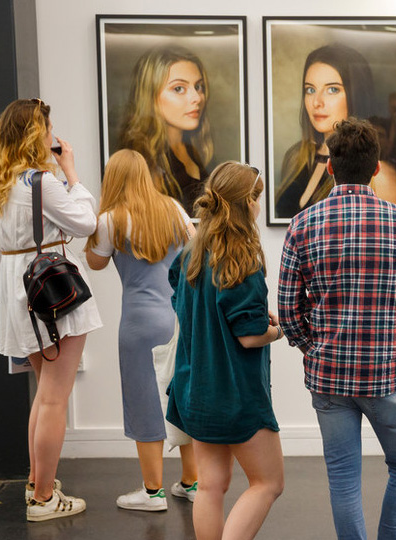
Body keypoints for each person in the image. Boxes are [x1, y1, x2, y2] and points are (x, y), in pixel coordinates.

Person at [278, 117, 396, 540]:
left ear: (330, 167)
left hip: (328, 379)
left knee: (343, 476)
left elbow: (288, 311)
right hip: (388, 376)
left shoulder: (302, 225)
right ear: (377, 168)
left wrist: (311, 349)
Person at [0, 98, 102, 521]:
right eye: (48, 129)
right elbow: (86, 224)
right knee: (54, 399)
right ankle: (45, 498)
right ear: (35, 135)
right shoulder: (40, 183)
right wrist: (72, 174)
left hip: (18, 291)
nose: (54, 137)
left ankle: (37, 483)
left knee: (44, 393)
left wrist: (8, 298)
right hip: (54, 289)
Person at [167, 162, 285, 540]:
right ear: (247, 203)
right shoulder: (242, 263)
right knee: (268, 483)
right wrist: (278, 330)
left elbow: (201, 312)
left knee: (210, 485)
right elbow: (249, 338)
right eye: (258, 199)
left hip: (195, 391)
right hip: (235, 396)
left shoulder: (188, 259)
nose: (260, 207)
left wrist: (249, 319)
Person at [84, 149, 199, 511]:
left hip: (137, 323)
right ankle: (192, 482)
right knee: (181, 400)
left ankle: (153, 492)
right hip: (176, 317)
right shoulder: (173, 209)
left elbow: (95, 263)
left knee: (143, 402)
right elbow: (196, 252)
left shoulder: (109, 220)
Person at [275, 43, 396, 219]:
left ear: (355, 94)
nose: (317, 102)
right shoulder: (296, 157)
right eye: (310, 90)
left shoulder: (380, 176)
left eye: (332, 89)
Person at [118, 46, 213, 215]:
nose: (197, 98)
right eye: (179, 89)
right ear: (150, 96)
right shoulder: (143, 161)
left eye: (198, 87)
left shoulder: (192, 151)